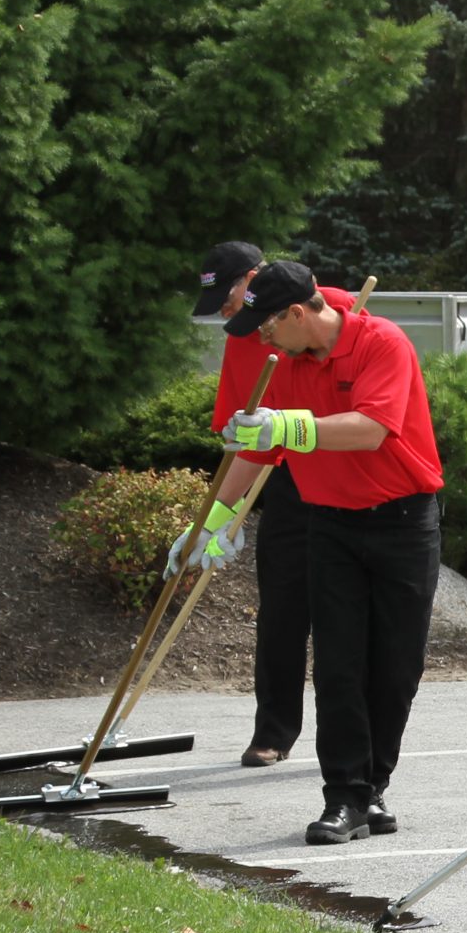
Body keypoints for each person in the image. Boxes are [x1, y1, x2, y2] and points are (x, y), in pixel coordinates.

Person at [171, 259, 444, 846]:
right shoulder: (286, 363)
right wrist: (212, 522)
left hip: (403, 522)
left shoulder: (383, 343)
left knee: (396, 670)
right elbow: (256, 448)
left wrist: (289, 429)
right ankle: (344, 796)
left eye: (267, 326)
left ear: (297, 313)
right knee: (340, 666)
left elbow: (372, 427)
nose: (260, 340)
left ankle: (372, 788)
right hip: (332, 526)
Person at [188, 240, 313, 770]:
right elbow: (247, 443)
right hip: (285, 480)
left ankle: (358, 744)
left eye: (228, 296)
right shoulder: (241, 338)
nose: (223, 311)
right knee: (281, 610)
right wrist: (210, 523)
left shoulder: (313, 312)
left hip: (340, 475)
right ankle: (273, 732)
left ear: (253, 277)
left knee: (344, 619)